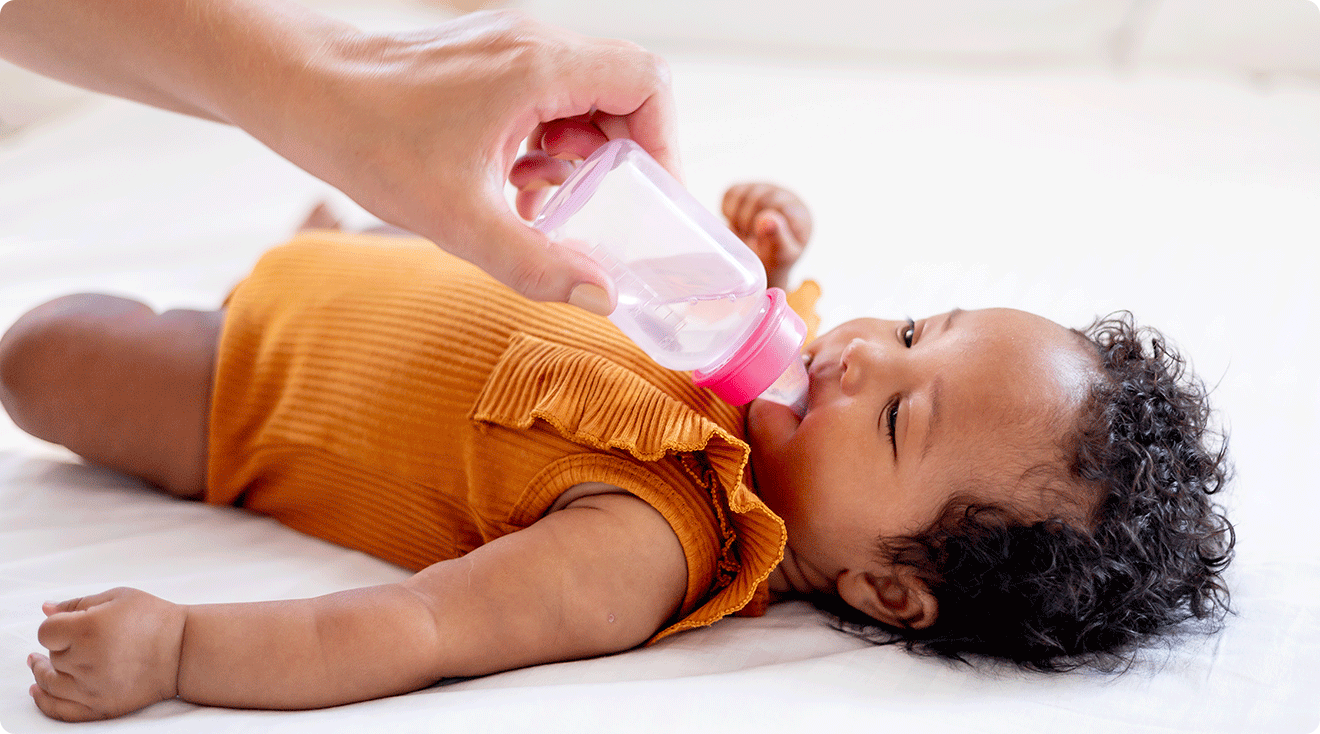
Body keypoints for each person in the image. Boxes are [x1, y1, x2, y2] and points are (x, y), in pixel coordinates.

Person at [0, 182, 1234, 722]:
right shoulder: (771, 358)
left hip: (251, 379)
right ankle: (343, 242)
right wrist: (754, 238)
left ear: (886, 587)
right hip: (405, 270)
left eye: (900, 417)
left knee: (43, 353)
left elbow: (414, 627)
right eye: (914, 328)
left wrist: (180, 648)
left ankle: (310, 259)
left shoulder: (649, 540)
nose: (861, 354)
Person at [0, 0, 679, 315]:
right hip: (419, 283)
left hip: (311, 348)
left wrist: (337, 72)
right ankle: (321, 250)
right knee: (398, 244)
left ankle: (291, 272)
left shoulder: (670, 511)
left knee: (59, 349)